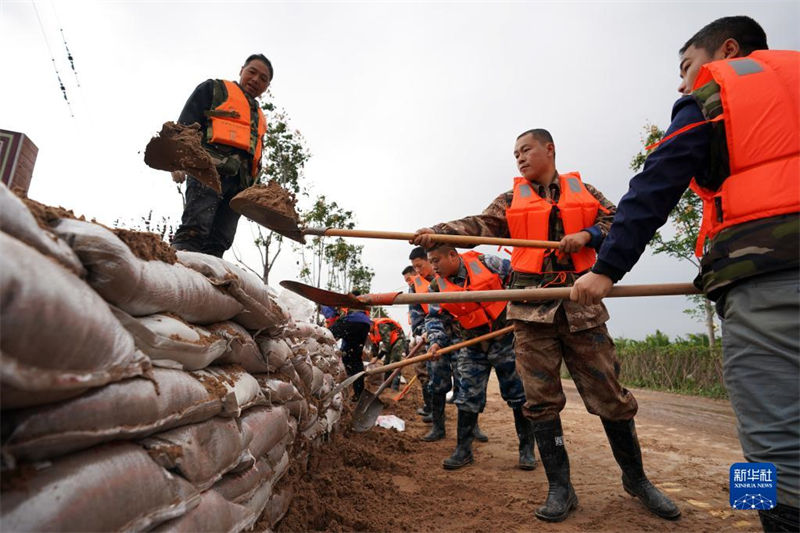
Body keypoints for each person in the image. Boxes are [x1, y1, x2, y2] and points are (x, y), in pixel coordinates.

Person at [571, 16, 799, 532]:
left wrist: (607, 268)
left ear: (728, 50)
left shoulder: (718, 92)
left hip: (767, 279)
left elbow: (656, 183)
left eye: (687, 66)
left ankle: (770, 520)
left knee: (769, 443)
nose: (682, 81)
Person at [413, 129, 679, 522]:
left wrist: (588, 234)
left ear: (549, 150)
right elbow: (479, 225)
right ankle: (560, 487)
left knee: (611, 397)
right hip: (531, 312)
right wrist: (440, 232)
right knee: (539, 402)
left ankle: (636, 479)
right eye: (515, 153)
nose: (519, 158)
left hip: (580, 308)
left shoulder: (584, 192)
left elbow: (620, 221)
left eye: (526, 150)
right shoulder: (509, 201)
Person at [424, 244, 535, 471]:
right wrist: (435, 340)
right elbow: (434, 318)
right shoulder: (436, 287)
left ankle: (527, 450)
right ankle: (463, 450)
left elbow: (519, 279)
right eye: (431, 261)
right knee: (467, 395)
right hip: (472, 345)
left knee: (518, 395)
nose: (433, 266)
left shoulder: (487, 263)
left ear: (453, 255)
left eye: (437, 260)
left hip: (505, 339)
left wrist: (521, 313)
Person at [170, 54, 273, 257]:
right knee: (194, 229)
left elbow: (255, 158)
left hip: (239, 188)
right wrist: (177, 160)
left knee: (219, 241)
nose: (255, 80)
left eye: (263, 79)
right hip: (208, 172)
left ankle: (209, 283)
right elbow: (186, 123)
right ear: (241, 70)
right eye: (252, 72)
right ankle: (179, 269)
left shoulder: (259, 118)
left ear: (267, 86)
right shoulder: (215, 89)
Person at [403, 260, 432, 418]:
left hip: (430, 334)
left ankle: (431, 408)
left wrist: (422, 332)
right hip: (423, 333)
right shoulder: (418, 286)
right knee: (425, 372)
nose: (409, 282)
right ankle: (431, 407)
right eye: (407, 281)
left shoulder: (430, 282)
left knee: (424, 371)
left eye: (409, 278)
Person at [329, 304, 373, 402]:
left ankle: (345, 387)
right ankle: (358, 393)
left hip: (352, 321)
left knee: (327, 336)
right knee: (354, 356)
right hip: (365, 324)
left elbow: (331, 318)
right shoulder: (362, 310)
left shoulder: (329, 307)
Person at [368, 316, 408, 391]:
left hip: (398, 340)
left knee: (394, 364)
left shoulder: (381, 325)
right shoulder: (371, 331)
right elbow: (375, 344)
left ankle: (394, 389)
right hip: (390, 343)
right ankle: (386, 387)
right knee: (386, 364)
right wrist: (374, 356)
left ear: (370, 324)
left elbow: (387, 343)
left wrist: (378, 357)